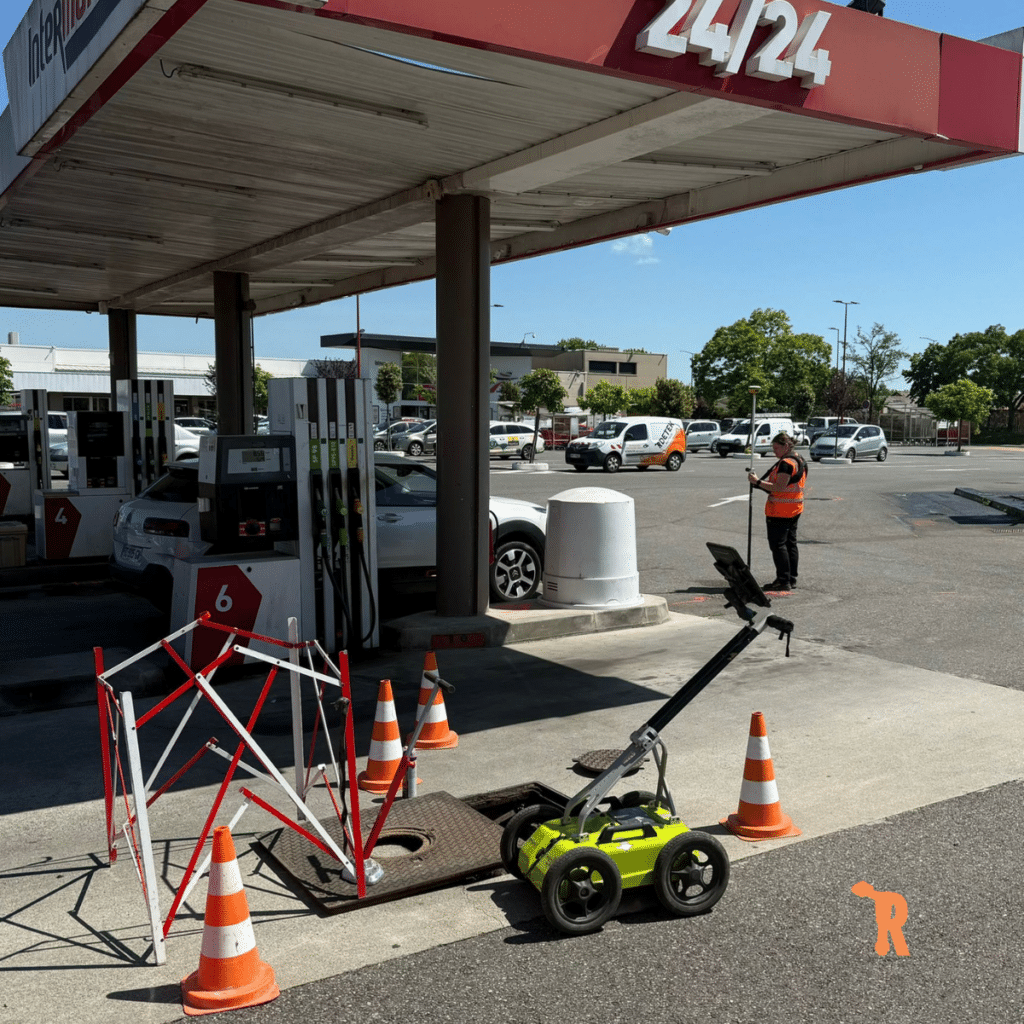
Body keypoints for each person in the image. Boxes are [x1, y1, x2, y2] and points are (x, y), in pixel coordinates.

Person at [747, 431, 806, 591]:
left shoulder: (786, 463)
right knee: (790, 544)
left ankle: (783, 580)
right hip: (794, 508)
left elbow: (779, 487)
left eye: (776, 448)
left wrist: (758, 482)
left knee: (779, 545)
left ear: (786, 446)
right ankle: (791, 578)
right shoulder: (799, 460)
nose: (774, 451)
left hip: (780, 510)